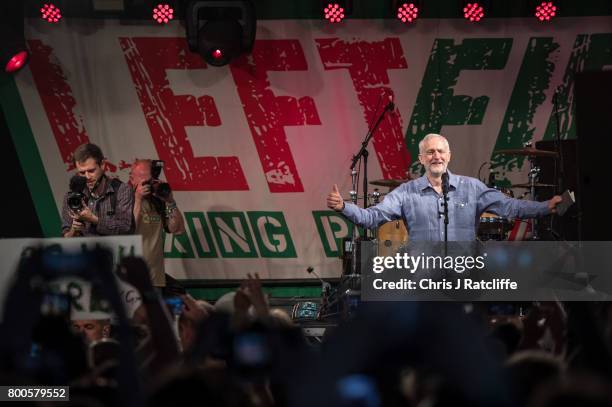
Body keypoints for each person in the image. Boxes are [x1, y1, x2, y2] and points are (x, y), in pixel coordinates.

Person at [327, 133, 562, 241]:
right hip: (422, 278)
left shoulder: (472, 187)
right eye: (430, 152)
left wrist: (545, 207)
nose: (436, 156)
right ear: (421, 159)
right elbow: (372, 217)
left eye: (440, 151)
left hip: (464, 275)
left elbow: (511, 207)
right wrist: (343, 207)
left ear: (449, 156)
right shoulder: (406, 192)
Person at [129, 159, 185, 288]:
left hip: (155, 277)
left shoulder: (157, 202)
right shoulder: (124, 200)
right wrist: (138, 198)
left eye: (152, 180)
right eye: (144, 179)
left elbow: (178, 229)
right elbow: (129, 230)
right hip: (131, 279)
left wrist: (170, 201)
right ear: (132, 179)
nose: (149, 184)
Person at [61, 143, 135, 237]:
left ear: (103, 165)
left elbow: (126, 229)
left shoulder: (121, 190)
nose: (87, 177)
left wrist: (93, 219)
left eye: (91, 171)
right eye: (82, 172)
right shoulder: (72, 196)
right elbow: (65, 238)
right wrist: (73, 230)